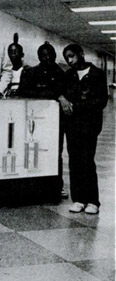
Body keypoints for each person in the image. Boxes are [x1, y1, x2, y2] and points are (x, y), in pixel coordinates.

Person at [60, 44, 108, 214]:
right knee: (74, 161)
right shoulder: (69, 75)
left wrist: (77, 106)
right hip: (72, 125)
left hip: (89, 125)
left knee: (87, 160)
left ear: (81, 54)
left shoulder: (97, 74)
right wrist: (62, 99)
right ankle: (78, 199)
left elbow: (101, 100)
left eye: (72, 56)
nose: (70, 60)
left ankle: (93, 201)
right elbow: (59, 91)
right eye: (67, 58)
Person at [17, 42, 68, 199]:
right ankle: (35, 184)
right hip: (36, 118)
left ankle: (56, 185)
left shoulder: (61, 73)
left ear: (55, 56)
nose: (47, 58)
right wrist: (51, 94)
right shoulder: (31, 72)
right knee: (34, 149)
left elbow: (64, 92)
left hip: (56, 120)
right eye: (44, 55)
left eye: (50, 55)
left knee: (55, 152)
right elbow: (23, 91)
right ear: (39, 57)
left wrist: (45, 92)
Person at [0, 33, 26, 98]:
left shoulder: (26, 71)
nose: (13, 55)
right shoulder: (6, 73)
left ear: (22, 55)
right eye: (10, 52)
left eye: (15, 52)